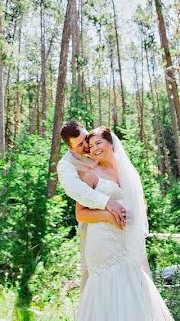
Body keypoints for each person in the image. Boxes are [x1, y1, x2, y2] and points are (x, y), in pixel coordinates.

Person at [74, 126, 174, 321]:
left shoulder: (129, 172)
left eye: (98, 143)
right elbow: (81, 214)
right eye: (91, 146)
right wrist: (108, 215)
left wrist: (132, 219)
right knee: (107, 289)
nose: (94, 149)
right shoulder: (90, 175)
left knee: (133, 283)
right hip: (102, 243)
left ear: (110, 143)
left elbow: (138, 206)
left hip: (126, 241)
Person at [57, 120, 128, 289]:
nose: (87, 146)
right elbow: (77, 191)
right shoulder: (66, 165)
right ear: (70, 147)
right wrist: (107, 203)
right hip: (94, 228)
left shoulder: (99, 145)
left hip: (125, 229)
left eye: (85, 137)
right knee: (93, 280)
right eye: (80, 145)